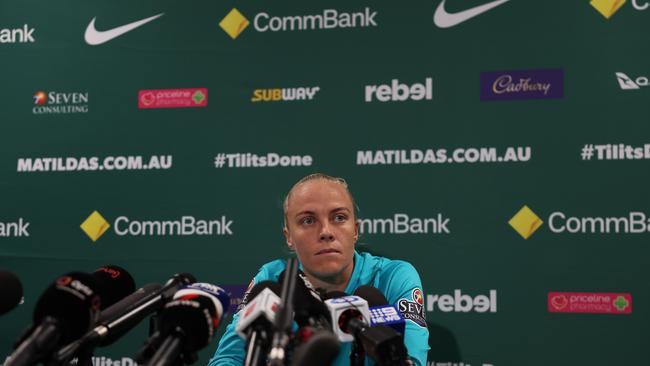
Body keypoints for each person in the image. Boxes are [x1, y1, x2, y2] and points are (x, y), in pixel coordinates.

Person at [209, 173, 429, 365]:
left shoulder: (393, 277)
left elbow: (411, 361)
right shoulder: (273, 280)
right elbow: (227, 359)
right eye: (308, 220)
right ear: (289, 238)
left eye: (339, 217)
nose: (326, 231)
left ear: (355, 230)